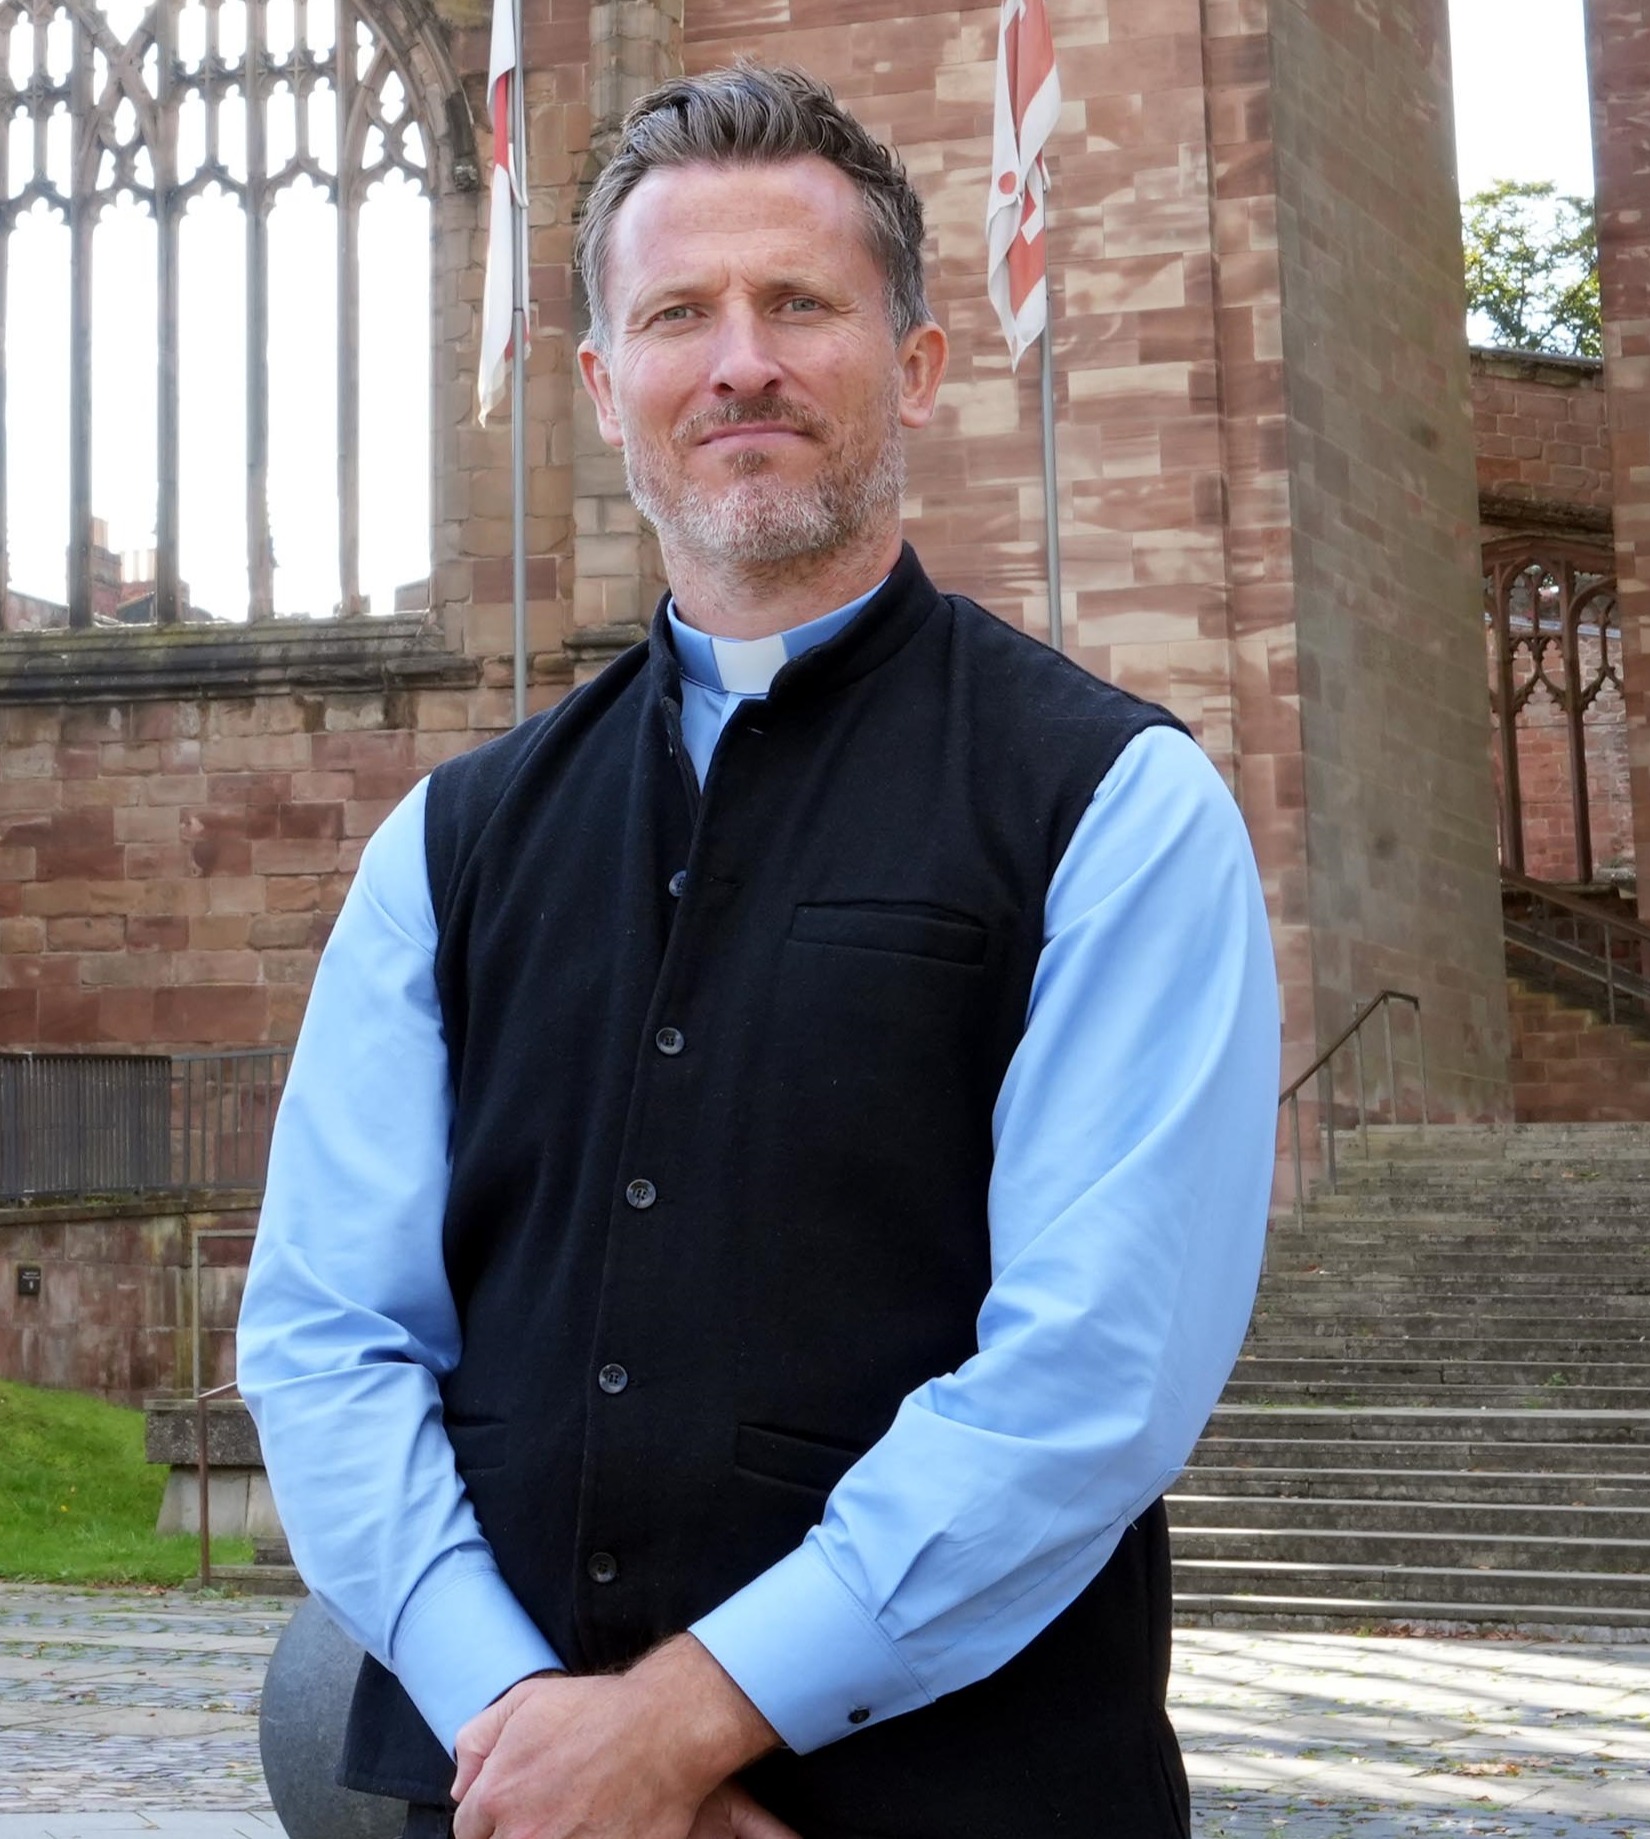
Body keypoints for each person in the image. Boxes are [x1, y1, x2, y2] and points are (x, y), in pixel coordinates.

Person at [236, 62, 1279, 1839]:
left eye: (800, 302)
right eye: (678, 315)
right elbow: (328, 1338)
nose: (741, 362)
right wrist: (529, 1726)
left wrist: (684, 1730)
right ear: (602, 386)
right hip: (505, 1807)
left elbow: (1092, 1375)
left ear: (920, 364)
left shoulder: (1114, 804)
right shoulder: (452, 840)